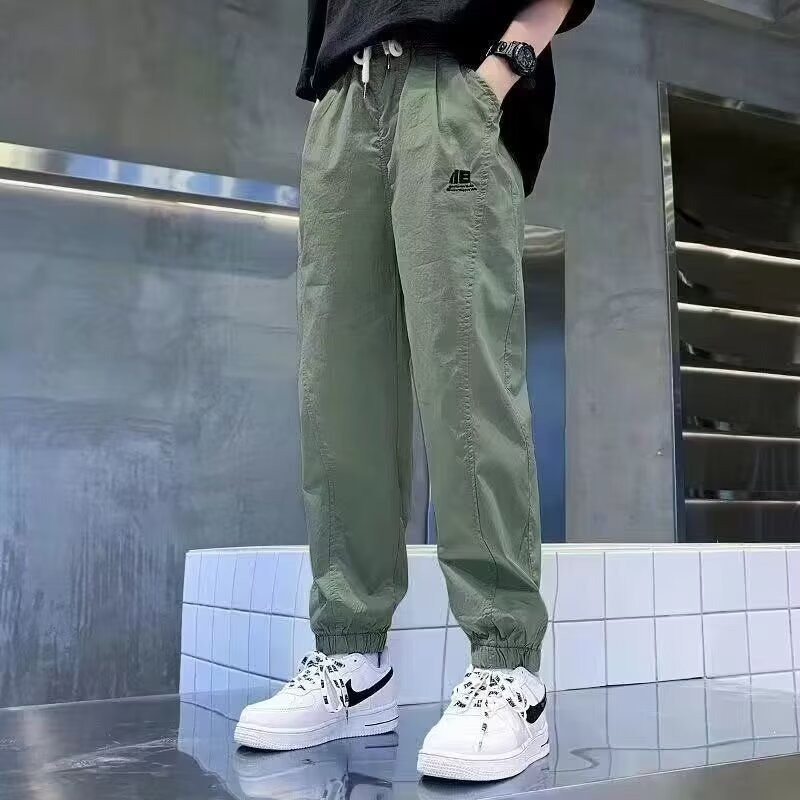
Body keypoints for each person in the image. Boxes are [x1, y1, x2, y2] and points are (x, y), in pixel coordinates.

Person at [235, 0, 594, 782]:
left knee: (467, 378)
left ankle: (507, 664)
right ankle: (351, 658)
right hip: (345, 100)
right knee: (339, 391)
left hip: (452, 84)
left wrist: (499, 73)